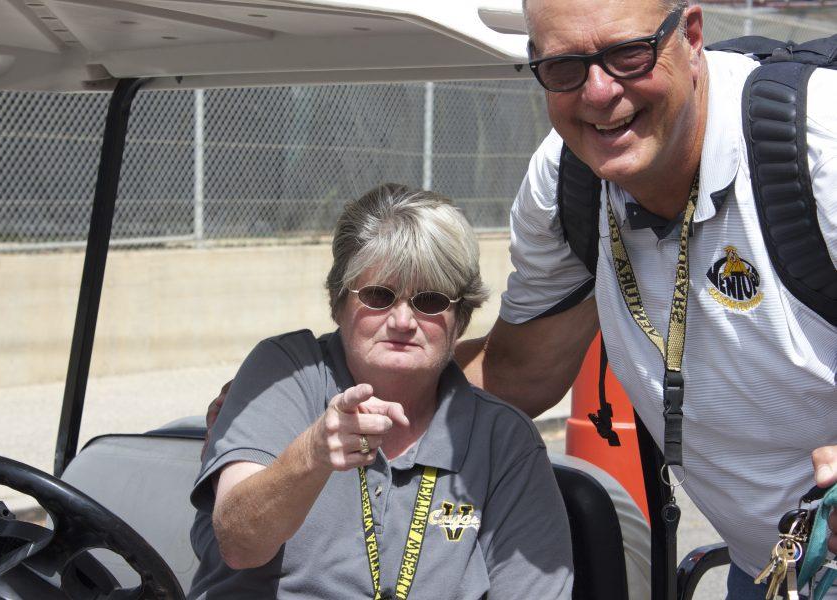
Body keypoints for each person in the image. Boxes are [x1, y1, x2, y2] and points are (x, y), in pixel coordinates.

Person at [453, 0, 837, 597]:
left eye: (628, 54)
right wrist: (335, 394)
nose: (600, 92)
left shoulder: (819, 146)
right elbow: (520, 374)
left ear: (691, 34)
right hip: (768, 569)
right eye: (564, 67)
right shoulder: (567, 182)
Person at [189, 184, 574, 599]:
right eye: (378, 295)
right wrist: (312, 454)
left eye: (430, 300)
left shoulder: (503, 439)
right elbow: (239, 543)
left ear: (461, 319)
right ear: (338, 303)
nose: (403, 321)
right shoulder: (284, 373)